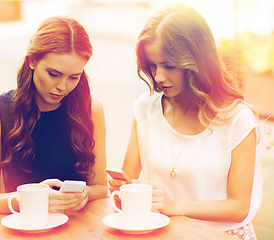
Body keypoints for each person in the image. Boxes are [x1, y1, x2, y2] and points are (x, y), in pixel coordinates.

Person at [109, 5, 262, 240]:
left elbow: (238, 207)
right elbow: (127, 181)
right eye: (153, 65)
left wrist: (176, 206)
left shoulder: (236, 118)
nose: (159, 77)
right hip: (162, 232)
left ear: (198, 61)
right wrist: (120, 190)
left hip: (221, 235)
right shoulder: (144, 109)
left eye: (169, 65)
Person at [0, 16, 108, 216]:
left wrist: (82, 195)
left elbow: (101, 188)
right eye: (53, 74)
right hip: (22, 227)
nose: (62, 87)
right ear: (32, 60)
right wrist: (31, 199)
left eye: (74, 77)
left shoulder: (91, 110)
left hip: (77, 225)